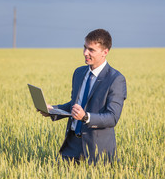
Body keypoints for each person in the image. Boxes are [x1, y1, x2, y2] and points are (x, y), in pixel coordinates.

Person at [40, 29, 127, 164]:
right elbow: (74, 105)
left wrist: (86, 117)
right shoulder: (79, 73)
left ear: (105, 52)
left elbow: (112, 117)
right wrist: (52, 110)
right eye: (85, 47)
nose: (85, 53)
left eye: (91, 50)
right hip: (71, 145)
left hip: (97, 150)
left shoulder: (116, 79)